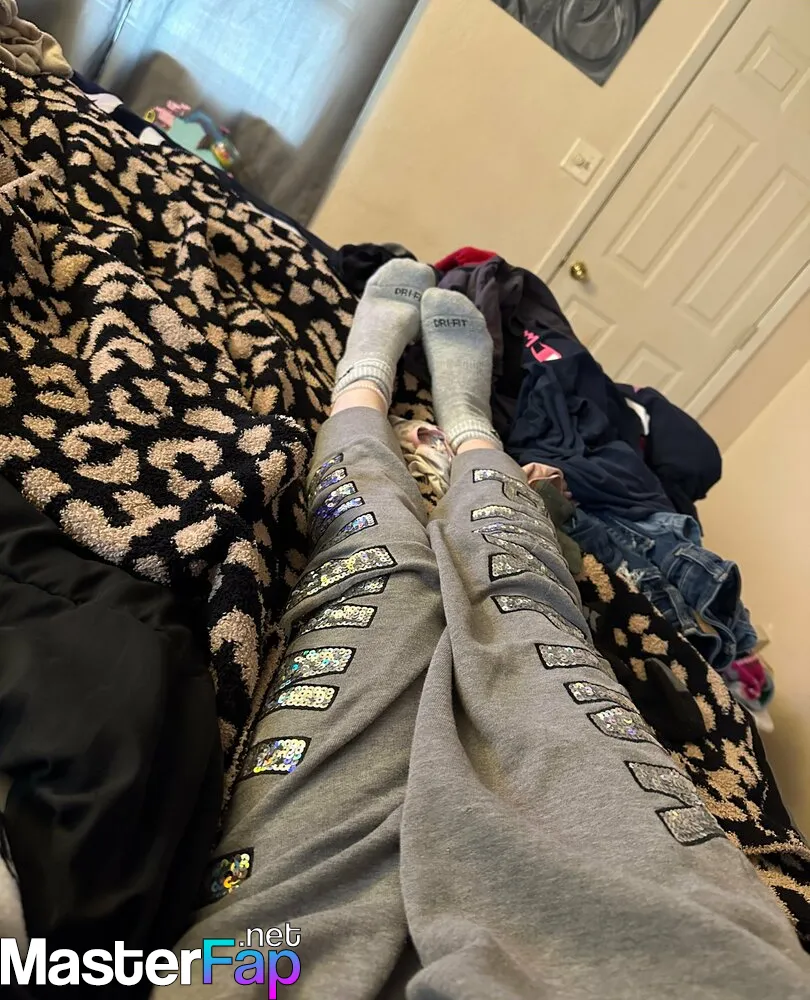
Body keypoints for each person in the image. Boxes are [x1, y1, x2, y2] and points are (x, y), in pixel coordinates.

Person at [162, 261, 810, 999]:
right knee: (521, 591)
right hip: (668, 927)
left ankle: (365, 386)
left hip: (274, 948)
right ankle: (469, 428)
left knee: (374, 566)